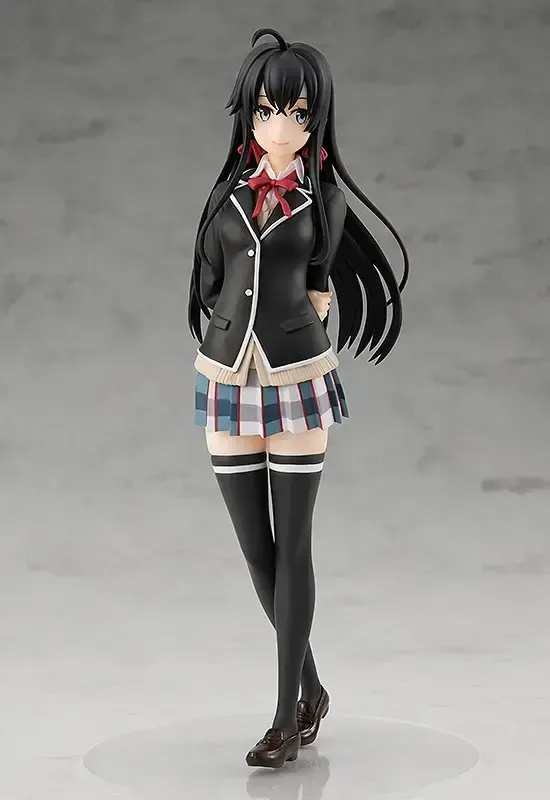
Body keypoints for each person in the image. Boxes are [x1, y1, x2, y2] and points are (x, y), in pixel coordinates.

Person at [188, 26, 408, 769]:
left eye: (298, 113)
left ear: (317, 122)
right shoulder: (225, 198)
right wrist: (230, 329)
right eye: (266, 111)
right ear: (247, 117)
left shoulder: (324, 202)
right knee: (258, 551)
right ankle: (312, 688)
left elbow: (319, 288)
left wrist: (298, 328)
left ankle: (286, 716)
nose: (280, 128)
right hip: (227, 374)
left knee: (296, 545)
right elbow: (210, 283)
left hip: (297, 378)